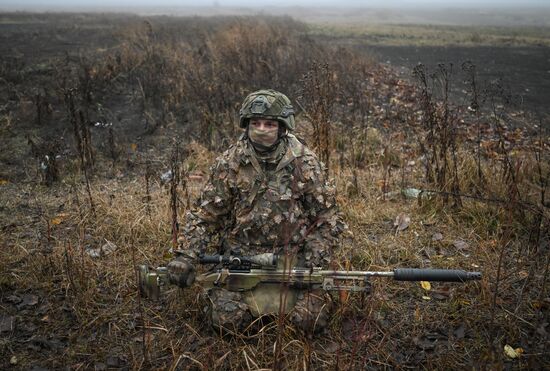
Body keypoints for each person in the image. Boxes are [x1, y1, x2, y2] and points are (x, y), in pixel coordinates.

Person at [168, 89, 348, 334]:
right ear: (246, 124)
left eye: (270, 124)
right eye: (256, 123)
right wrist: (186, 255)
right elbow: (206, 215)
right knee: (227, 321)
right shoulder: (230, 162)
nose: (262, 129)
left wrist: (312, 266)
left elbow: (326, 218)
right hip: (241, 260)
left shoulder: (305, 162)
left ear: (283, 127)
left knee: (309, 322)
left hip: (293, 260)